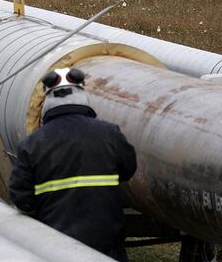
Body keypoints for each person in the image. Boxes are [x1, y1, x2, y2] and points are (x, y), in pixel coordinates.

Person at [9, 67, 137, 262]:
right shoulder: (110, 134)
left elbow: (21, 198)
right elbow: (128, 168)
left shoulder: (32, 144)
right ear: (82, 95)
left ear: (47, 101)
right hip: (106, 242)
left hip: (54, 245)